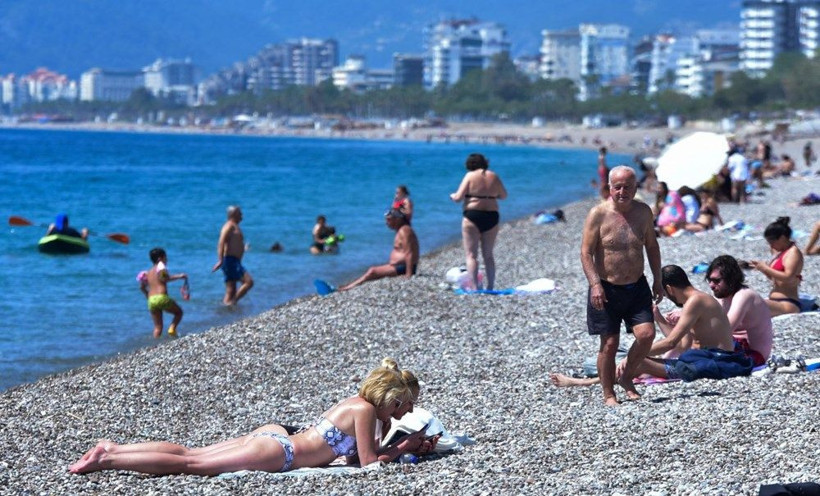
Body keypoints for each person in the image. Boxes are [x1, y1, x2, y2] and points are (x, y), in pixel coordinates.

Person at [68, 364, 429, 475]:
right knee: (190, 464)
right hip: (281, 453)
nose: (409, 412)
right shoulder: (365, 411)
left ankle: (114, 448)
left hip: (276, 439)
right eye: (407, 404)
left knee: (190, 451)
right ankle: (108, 459)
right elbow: (367, 464)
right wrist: (405, 446)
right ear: (393, 397)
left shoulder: (362, 408)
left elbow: (352, 458)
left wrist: (399, 444)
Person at [580, 165, 662, 406]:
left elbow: (652, 247)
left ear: (636, 188)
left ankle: (626, 377)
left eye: (627, 187)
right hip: (607, 288)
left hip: (637, 285)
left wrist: (658, 279)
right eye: (617, 187)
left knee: (647, 335)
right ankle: (608, 393)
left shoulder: (644, 212)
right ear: (609, 188)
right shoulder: (598, 214)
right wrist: (595, 284)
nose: (622, 192)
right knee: (609, 343)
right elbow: (585, 252)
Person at [617, 265, 755, 383]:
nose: (668, 298)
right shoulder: (696, 300)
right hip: (705, 360)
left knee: (639, 362)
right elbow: (682, 345)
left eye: (665, 294)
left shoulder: (695, 301)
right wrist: (658, 317)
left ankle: (605, 380)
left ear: (670, 289)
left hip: (715, 363)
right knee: (637, 363)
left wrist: (632, 354)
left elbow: (670, 343)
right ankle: (602, 379)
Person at [449, 153, 508, 290]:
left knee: (471, 254)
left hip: (472, 215)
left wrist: (452, 196)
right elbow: (504, 195)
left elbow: (458, 197)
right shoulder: (494, 176)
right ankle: (491, 286)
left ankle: (475, 287)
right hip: (492, 215)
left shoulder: (470, 176)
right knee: (488, 254)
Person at [705, 255, 772, 365]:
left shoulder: (744, 296)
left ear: (731, 279)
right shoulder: (724, 296)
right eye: (709, 280)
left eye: (716, 281)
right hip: (736, 348)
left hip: (753, 355)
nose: (711, 285)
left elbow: (725, 329)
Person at [338, 209, 419, 291]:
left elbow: (409, 252)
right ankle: (350, 285)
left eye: (389, 220)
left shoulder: (405, 231)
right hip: (399, 266)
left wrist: (409, 274)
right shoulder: (401, 230)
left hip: (403, 267)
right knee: (374, 272)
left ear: (398, 219)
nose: (387, 223)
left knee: (372, 271)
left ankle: (349, 287)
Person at [749, 217, 805, 316]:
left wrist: (766, 268)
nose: (771, 246)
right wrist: (762, 269)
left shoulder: (793, 253)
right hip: (777, 301)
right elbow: (776, 278)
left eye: (772, 242)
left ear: (782, 238)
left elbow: (788, 277)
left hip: (787, 302)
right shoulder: (782, 253)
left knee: (749, 304)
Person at [137, 248, 187, 338]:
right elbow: (164, 278)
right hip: (161, 297)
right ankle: (172, 329)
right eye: (165, 258)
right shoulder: (161, 266)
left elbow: (142, 287)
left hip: (151, 300)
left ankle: (155, 345)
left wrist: (147, 296)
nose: (166, 260)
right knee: (179, 312)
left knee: (158, 327)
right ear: (160, 259)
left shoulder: (148, 272)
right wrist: (180, 276)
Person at [212, 206, 254, 305]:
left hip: (234, 261)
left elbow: (234, 243)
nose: (242, 215)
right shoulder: (229, 226)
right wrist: (220, 260)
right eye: (240, 213)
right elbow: (221, 242)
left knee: (230, 290)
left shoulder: (235, 226)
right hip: (230, 261)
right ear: (233, 214)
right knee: (249, 282)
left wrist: (243, 248)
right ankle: (233, 302)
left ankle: (226, 310)